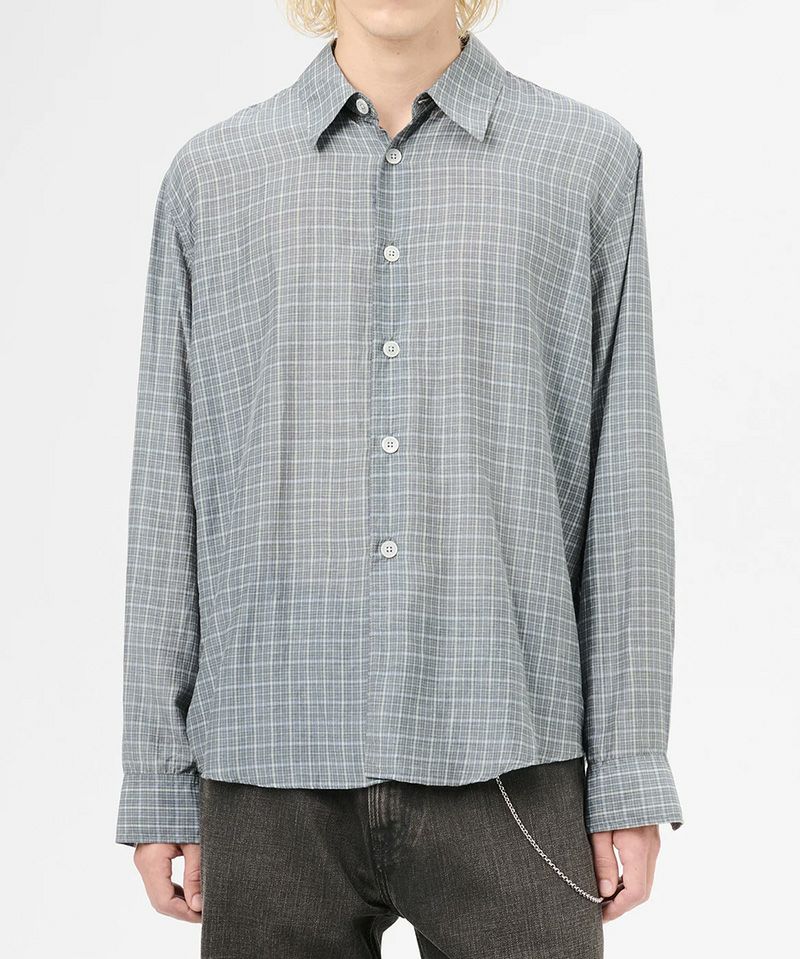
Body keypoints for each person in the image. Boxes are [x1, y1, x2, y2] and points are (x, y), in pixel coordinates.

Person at [116, 1, 684, 955]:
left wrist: (627, 770)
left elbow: (625, 481)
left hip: (510, 752)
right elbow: (167, 490)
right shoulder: (215, 178)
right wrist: (157, 774)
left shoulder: (583, 162)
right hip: (268, 759)